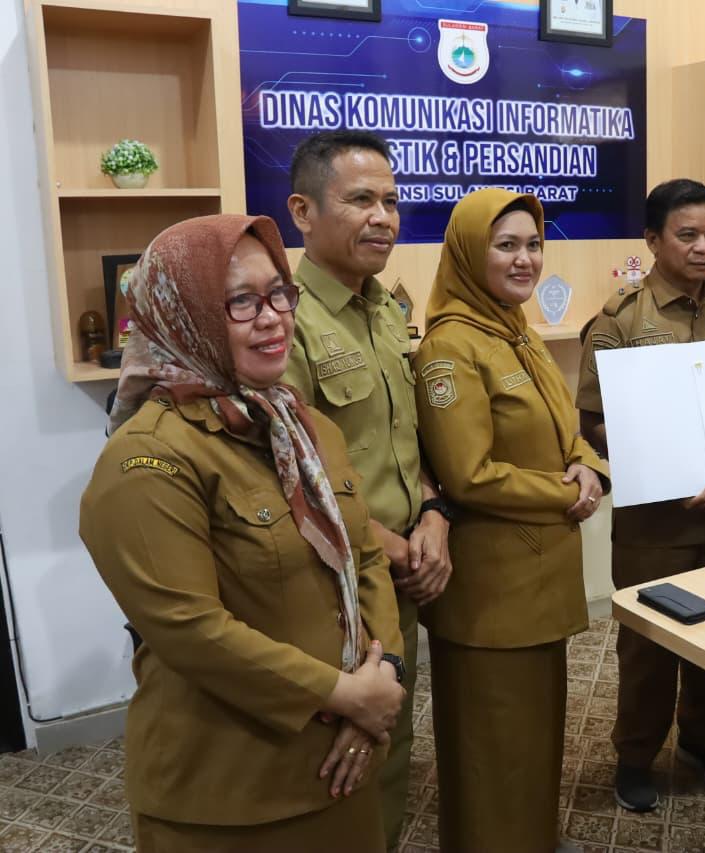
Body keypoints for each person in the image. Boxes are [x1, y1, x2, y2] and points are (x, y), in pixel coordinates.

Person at [80, 214, 406, 851]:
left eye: (280, 293)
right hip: (232, 796)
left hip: (343, 765)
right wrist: (348, 697)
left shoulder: (305, 430)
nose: (273, 317)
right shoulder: (147, 458)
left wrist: (383, 673)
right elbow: (190, 628)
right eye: (241, 302)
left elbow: (365, 560)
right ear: (183, 315)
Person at [412, 189, 609, 852]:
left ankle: (532, 838)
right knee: (492, 749)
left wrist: (587, 465)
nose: (525, 259)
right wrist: (565, 492)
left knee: (533, 735)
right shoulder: (450, 347)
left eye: (533, 244)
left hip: (536, 580)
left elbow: (563, 425)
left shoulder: (515, 330)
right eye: (506, 246)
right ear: (471, 252)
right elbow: (468, 473)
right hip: (492, 593)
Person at [281, 130, 448, 849]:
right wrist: (389, 546)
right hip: (337, 582)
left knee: (390, 740)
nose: (383, 217)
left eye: (391, 200)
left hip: (400, 568)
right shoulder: (285, 319)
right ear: (303, 211)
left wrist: (433, 513)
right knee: (338, 752)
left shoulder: (385, 309)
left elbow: (404, 440)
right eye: (360, 200)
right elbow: (292, 474)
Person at [577, 178, 705, 813]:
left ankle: (704, 739)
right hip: (655, 524)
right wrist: (667, 473)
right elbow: (593, 422)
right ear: (653, 240)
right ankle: (635, 756)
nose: (704, 248)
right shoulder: (620, 319)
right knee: (648, 647)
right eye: (688, 235)